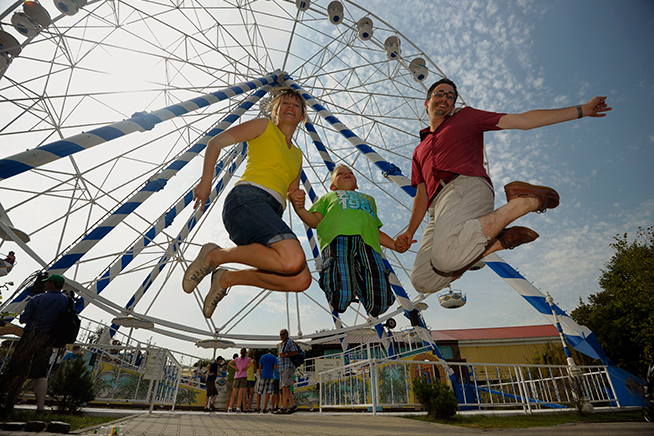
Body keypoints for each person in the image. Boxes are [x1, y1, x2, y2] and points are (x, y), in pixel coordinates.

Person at [396, 78, 611, 294]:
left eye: (451, 96)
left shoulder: (466, 118)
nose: (445, 98)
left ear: (453, 105)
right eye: (439, 93)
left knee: (444, 260)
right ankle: (498, 241)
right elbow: (421, 195)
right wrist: (410, 231)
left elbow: (524, 120)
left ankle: (523, 203)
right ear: (427, 102)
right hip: (437, 209)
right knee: (422, 281)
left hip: (464, 186)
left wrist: (582, 110)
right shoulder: (419, 150)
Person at [183, 88, 312, 318]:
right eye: (285, 103)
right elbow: (215, 143)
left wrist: (298, 200)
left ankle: (227, 278)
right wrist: (206, 182)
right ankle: (215, 255)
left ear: (302, 116)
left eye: (296, 105)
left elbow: (292, 193)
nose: (291, 107)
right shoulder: (264, 127)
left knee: (301, 279)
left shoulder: (298, 155)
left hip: (270, 213)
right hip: (246, 200)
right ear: (275, 110)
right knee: (293, 259)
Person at [290, 164, 410, 317]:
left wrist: (394, 245)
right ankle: (344, 280)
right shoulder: (328, 198)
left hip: (369, 244)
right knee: (340, 298)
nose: (347, 174)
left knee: (379, 304)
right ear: (333, 185)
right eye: (341, 173)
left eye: (350, 173)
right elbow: (314, 222)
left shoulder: (369, 200)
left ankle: (356, 281)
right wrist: (299, 209)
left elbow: (375, 230)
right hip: (337, 240)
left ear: (357, 183)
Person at [0, 274, 68, 416]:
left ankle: (9, 404)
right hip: (48, 339)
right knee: (41, 373)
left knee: (18, 370)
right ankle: (40, 408)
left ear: (51, 284)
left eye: (46, 283)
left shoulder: (38, 298)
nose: (44, 285)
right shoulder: (66, 301)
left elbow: (24, 319)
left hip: (31, 335)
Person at [275, 329, 298, 414]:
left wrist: (286, 355)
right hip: (282, 367)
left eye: (283, 334)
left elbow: (295, 351)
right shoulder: (282, 344)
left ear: (287, 334)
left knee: (284, 387)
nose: (282, 336)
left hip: (287, 366)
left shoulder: (290, 342)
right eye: (280, 334)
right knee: (286, 386)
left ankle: (284, 406)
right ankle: (292, 405)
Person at [229, 348, 253, 413]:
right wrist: (247, 368)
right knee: (240, 393)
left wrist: (235, 368)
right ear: (246, 353)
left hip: (237, 376)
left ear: (240, 353)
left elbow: (230, 363)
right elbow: (252, 363)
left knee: (234, 393)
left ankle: (230, 407)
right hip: (244, 376)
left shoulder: (237, 359)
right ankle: (238, 407)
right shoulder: (248, 359)